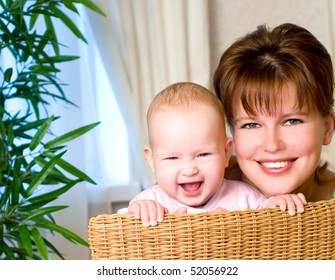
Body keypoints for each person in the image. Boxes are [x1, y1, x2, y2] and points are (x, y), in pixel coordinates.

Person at [118, 82, 306, 227]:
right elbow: (125, 233)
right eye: (172, 158)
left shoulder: (242, 197)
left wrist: (278, 203)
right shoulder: (151, 201)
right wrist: (140, 212)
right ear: (151, 160)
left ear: (226, 152)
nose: (189, 170)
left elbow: (268, 220)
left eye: (203, 155)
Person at [213, 23, 335, 202]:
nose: (272, 145)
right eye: (251, 124)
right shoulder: (195, 194)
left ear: (327, 128)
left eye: (292, 121)